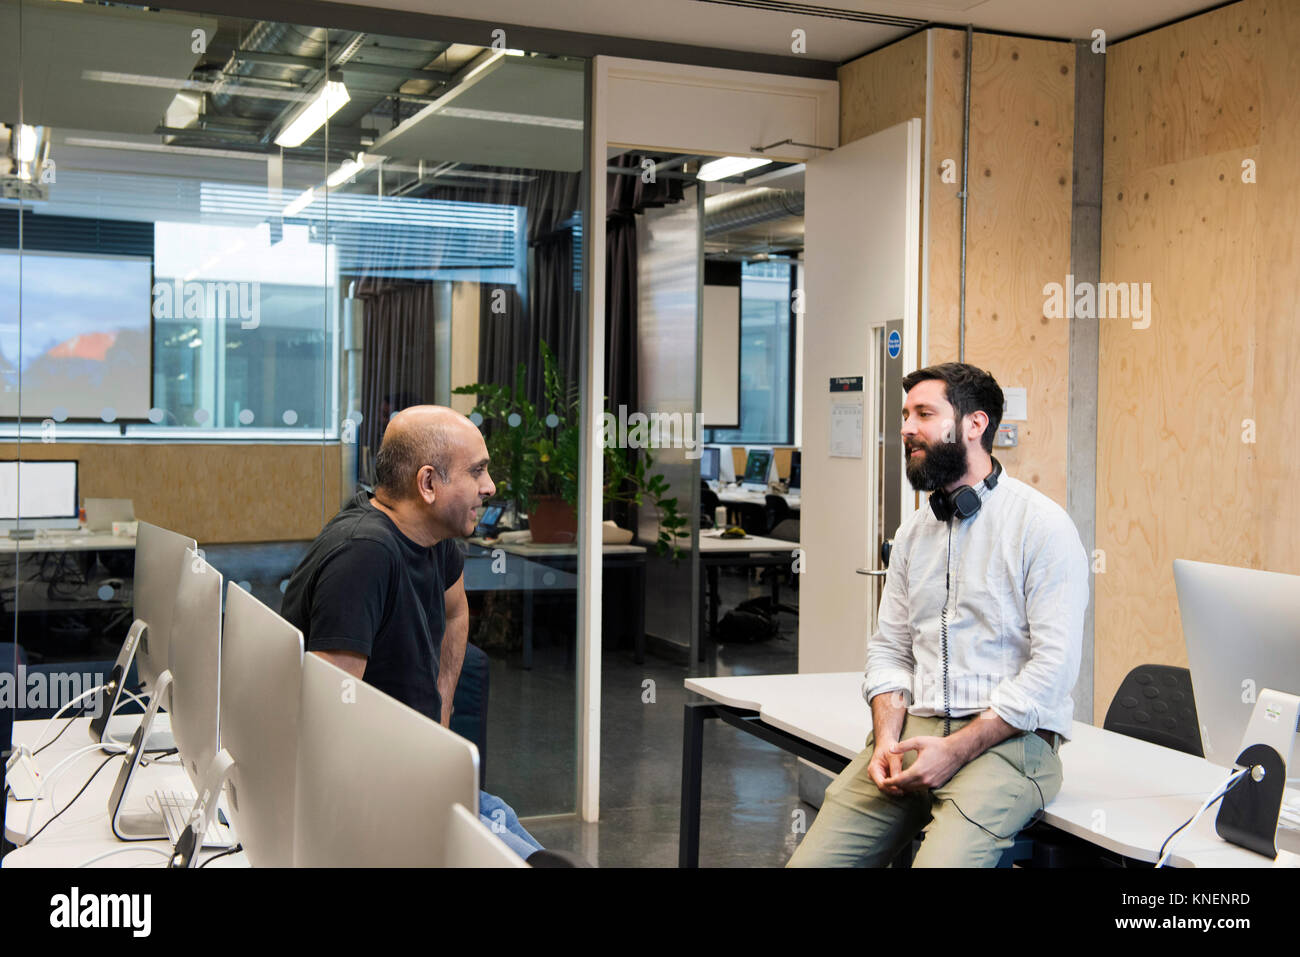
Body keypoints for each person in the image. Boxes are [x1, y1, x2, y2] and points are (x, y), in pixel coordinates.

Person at [787, 362, 1089, 867]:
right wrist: (886, 739)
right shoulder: (913, 534)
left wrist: (958, 748)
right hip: (912, 735)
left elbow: (1052, 670)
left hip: (1008, 746)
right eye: (906, 414)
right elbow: (890, 650)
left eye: (924, 413)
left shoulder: (1042, 527)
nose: (906, 427)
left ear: (976, 424)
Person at [281, 404, 543, 860]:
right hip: (375, 808)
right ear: (427, 484)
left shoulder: (432, 538)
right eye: (477, 471)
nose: (490, 486)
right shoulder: (363, 555)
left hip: (415, 779)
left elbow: (457, 611)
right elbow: (326, 720)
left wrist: (441, 711)